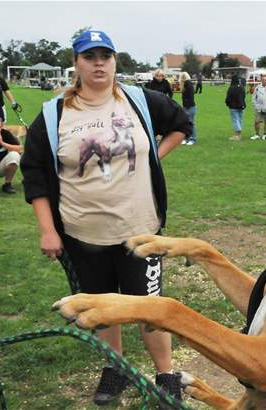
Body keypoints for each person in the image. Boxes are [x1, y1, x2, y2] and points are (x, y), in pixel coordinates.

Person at [19, 30, 191, 405]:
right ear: (76, 64)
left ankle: (166, 374)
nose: (99, 63)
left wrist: (153, 158)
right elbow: (33, 174)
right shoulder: (53, 115)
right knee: (101, 307)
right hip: (83, 236)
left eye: (106, 56)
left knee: (151, 308)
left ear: (115, 61)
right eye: (89, 56)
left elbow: (182, 124)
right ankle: (116, 369)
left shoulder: (141, 100)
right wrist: (48, 230)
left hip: (141, 233)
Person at [251, 74, 266, 140]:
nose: (264, 81)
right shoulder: (257, 87)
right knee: (256, 121)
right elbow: (253, 97)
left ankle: (265, 134)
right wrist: (255, 105)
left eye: (265, 80)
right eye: (263, 80)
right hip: (258, 108)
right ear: (261, 80)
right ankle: (257, 134)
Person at [225, 74, 246, 141]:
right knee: (239, 120)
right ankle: (238, 135)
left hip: (233, 107)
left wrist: (228, 104)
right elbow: (243, 97)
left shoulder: (231, 88)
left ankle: (237, 134)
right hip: (241, 106)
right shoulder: (242, 87)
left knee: (235, 120)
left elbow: (228, 98)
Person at [180, 72, 197, 145]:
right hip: (186, 107)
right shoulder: (185, 85)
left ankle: (193, 139)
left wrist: (186, 106)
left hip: (190, 107)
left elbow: (190, 97)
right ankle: (186, 138)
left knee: (191, 123)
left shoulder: (188, 84)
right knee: (186, 124)